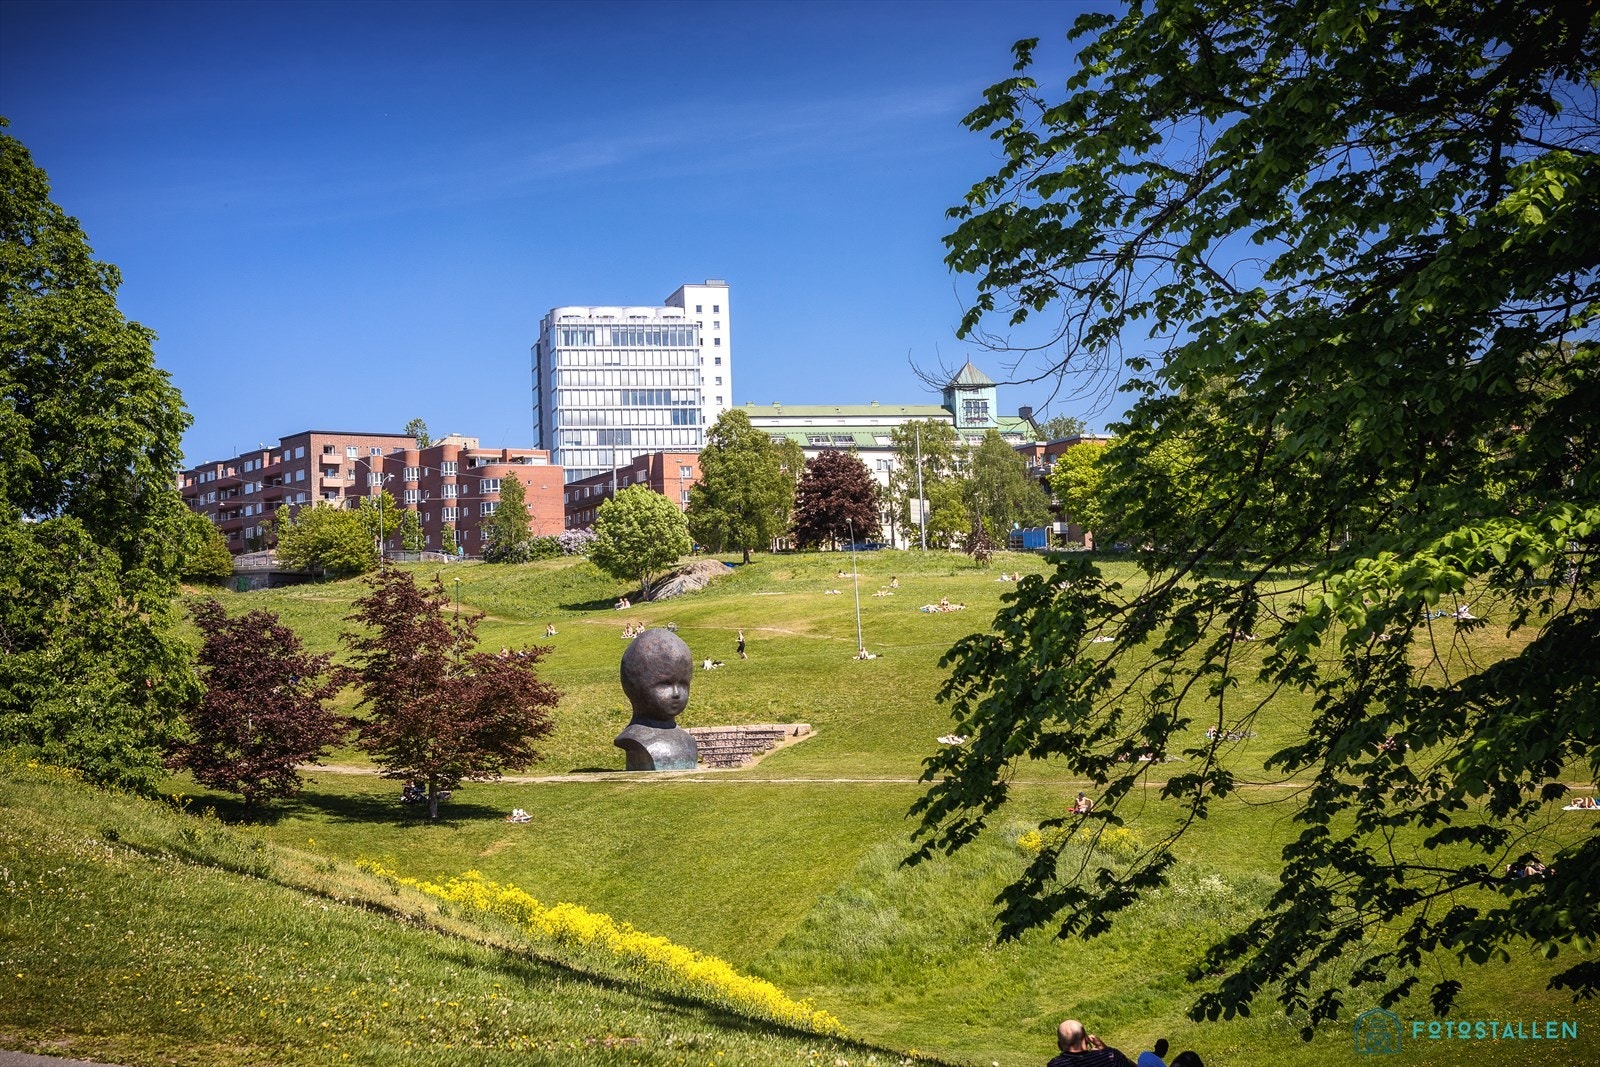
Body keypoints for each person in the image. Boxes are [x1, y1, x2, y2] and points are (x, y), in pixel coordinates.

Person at [1047, 1019, 1135, 1067]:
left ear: (1059, 1046)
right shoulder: (1111, 1056)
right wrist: (1106, 1049)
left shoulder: (1056, 1065)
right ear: (1086, 1039)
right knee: (1145, 1056)